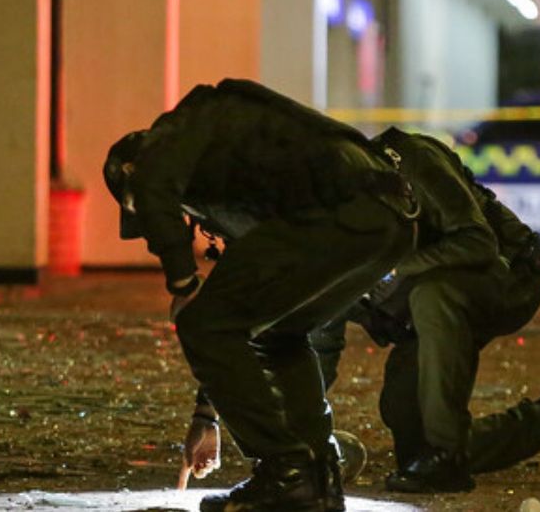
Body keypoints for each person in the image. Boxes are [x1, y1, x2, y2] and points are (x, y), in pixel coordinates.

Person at [102, 79, 417, 512]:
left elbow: (156, 186)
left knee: (199, 321)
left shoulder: (167, 142)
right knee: (276, 332)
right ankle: (316, 478)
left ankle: (287, 470)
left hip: (340, 214)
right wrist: (205, 416)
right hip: (387, 221)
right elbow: (242, 316)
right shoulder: (235, 170)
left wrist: (183, 282)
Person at [314, 128, 540, 494]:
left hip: (508, 275)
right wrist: (298, 440)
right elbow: (318, 339)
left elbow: (477, 241)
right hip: (426, 309)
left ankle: (446, 454)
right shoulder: (324, 230)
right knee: (410, 437)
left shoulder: (411, 163)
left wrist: (394, 266)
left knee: (432, 296)